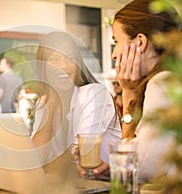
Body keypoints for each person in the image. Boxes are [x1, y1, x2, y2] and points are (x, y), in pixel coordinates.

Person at [31, 31, 122, 179]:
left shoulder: (94, 94)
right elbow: (34, 159)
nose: (63, 66)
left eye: (70, 58)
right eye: (54, 59)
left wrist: (42, 164)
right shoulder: (44, 102)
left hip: (108, 186)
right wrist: (52, 103)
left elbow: (80, 158)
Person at [111, 0, 179, 181]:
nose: (114, 54)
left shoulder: (162, 83)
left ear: (140, 42)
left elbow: (139, 168)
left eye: (116, 41)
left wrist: (128, 95)